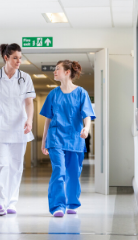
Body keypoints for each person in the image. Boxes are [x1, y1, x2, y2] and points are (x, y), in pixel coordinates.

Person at [0, 43, 36, 216]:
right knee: (1, 164)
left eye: (20, 57)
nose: (19, 61)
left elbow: (28, 102)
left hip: (19, 127)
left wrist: (30, 120)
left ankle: (11, 202)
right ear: (6, 58)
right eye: (15, 58)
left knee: (16, 167)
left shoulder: (25, 78)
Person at [40, 60, 96, 217]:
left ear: (67, 72)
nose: (54, 72)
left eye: (57, 69)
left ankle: (72, 203)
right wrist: (44, 140)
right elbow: (48, 120)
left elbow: (87, 116)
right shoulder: (53, 94)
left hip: (75, 138)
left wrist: (86, 128)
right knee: (59, 170)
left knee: (73, 173)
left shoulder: (81, 93)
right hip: (55, 138)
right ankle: (57, 206)